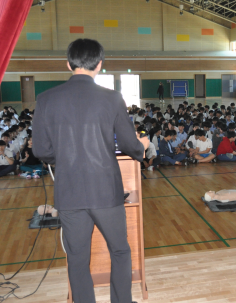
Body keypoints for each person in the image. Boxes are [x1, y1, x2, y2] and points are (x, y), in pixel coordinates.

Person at [32, 39, 148, 303]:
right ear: (99, 65)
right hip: (106, 192)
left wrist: (63, 159)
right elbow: (130, 145)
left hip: (70, 192)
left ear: (68, 64)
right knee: (119, 251)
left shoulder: (46, 99)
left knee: (77, 259)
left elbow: (41, 149)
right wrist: (142, 146)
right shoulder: (112, 98)